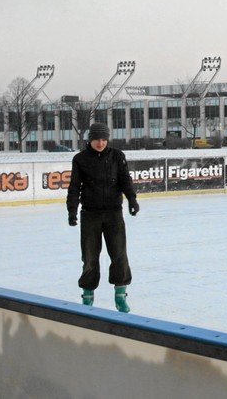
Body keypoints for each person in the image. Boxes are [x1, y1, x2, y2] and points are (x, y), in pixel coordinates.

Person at [67, 122, 139, 313]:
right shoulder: (80, 159)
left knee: (119, 254)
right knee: (90, 256)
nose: (101, 143)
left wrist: (132, 199)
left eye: (104, 139)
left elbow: (125, 180)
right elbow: (74, 187)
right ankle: (88, 296)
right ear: (90, 139)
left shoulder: (117, 156)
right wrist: (72, 210)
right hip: (90, 214)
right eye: (97, 139)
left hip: (114, 212)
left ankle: (121, 296)